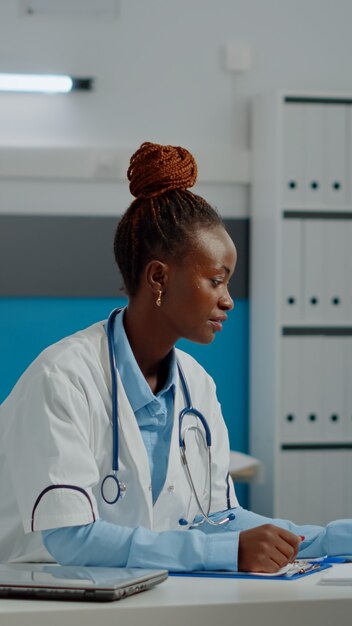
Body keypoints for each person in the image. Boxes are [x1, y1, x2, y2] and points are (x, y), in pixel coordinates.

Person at [0, 142, 351, 572]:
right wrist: (226, 552)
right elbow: (71, 538)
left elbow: (219, 519)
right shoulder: (62, 378)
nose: (228, 302)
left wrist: (331, 537)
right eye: (216, 281)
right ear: (158, 277)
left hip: (148, 597)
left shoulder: (196, 384)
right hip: (40, 598)